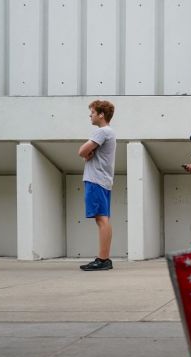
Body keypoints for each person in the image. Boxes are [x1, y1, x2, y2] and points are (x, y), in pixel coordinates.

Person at [78, 100, 116, 271]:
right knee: (103, 219)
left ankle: (103, 259)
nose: (90, 115)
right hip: (103, 180)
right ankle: (104, 259)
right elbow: (87, 153)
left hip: (96, 180)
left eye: (92, 112)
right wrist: (88, 154)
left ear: (101, 114)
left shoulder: (102, 132)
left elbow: (81, 151)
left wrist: (86, 154)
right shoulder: (109, 133)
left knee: (101, 219)